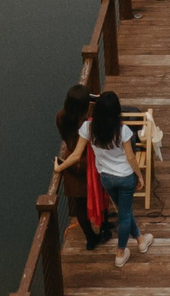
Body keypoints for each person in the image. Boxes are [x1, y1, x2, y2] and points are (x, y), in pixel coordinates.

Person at [55, 90, 153, 267]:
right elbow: (131, 158)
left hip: (106, 178)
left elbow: (76, 155)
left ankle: (141, 240)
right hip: (125, 177)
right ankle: (120, 254)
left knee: (125, 212)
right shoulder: (122, 131)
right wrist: (140, 176)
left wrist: (59, 167)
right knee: (124, 216)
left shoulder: (87, 128)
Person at [53, 85, 105, 250]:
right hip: (88, 162)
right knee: (99, 193)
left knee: (80, 204)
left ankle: (90, 238)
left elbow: (65, 136)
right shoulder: (87, 123)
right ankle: (104, 225)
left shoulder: (60, 117)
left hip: (71, 164)